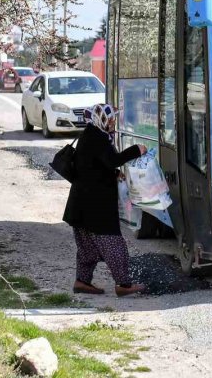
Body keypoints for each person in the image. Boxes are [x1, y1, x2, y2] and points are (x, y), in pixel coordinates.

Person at [63, 103, 148, 296]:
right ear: (101, 119)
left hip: (81, 205)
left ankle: (82, 282)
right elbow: (111, 160)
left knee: (87, 248)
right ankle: (123, 285)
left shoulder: (89, 134)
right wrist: (136, 150)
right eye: (110, 119)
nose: (112, 122)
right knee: (114, 245)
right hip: (96, 207)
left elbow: (93, 166)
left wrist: (114, 173)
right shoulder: (97, 138)